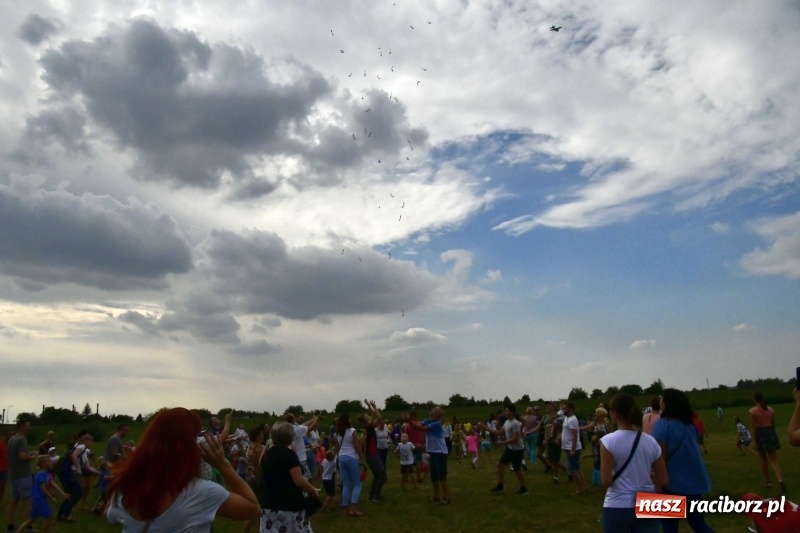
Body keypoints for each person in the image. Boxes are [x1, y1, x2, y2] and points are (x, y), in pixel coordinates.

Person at [106, 407, 260, 531]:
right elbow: (252, 508)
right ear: (188, 446)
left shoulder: (125, 490)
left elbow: (110, 516)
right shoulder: (201, 493)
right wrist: (223, 464)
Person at [600, 393, 668, 533]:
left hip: (617, 504)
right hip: (648, 503)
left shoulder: (608, 441)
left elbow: (606, 481)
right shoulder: (651, 441)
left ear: (614, 413)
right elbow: (664, 480)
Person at [652, 388, 713, 533]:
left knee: (669, 527)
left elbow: (659, 457)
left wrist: (656, 483)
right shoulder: (689, 425)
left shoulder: (662, 425)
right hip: (694, 483)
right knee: (698, 523)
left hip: (670, 483)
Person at [258, 422, 320, 533]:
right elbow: (299, 480)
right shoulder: (289, 455)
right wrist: (313, 489)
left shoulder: (267, 454)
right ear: (289, 436)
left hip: (268, 503)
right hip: (289, 504)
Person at [406, 406, 450, 504]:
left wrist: (409, 421)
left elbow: (420, 428)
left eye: (435, 410)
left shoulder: (437, 423)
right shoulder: (427, 420)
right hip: (433, 453)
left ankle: (446, 497)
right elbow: (416, 427)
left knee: (442, 476)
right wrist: (410, 421)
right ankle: (436, 497)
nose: (432, 409)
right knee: (434, 476)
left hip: (440, 453)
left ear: (438, 414)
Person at [15, 455, 68, 533]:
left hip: (36, 499)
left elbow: (53, 484)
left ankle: (19, 531)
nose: (51, 462)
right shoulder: (42, 474)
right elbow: (42, 488)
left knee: (32, 519)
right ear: (43, 464)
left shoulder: (45, 474)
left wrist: (63, 494)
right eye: (49, 461)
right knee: (49, 517)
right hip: (39, 499)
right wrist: (51, 497)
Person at [484, 404, 528, 495]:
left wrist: (502, 443)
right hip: (510, 448)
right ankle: (500, 485)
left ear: (512, 411)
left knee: (517, 469)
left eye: (507, 411)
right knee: (500, 464)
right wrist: (487, 428)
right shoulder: (507, 422)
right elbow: (500, 432)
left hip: (517, 450)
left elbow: (515, 438)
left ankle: (524, 488)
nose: (505, 412)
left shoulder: (515, 423)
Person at [5, 419, 38, 533]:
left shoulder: (11, 439)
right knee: (27, 501)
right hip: (24, 475)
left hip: (13, 474)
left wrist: (26, 455)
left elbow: (9, 456)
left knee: (13, 500)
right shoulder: (22, 439)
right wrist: (33, 456)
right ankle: (29, 527)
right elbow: (22, 457)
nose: (29, 428)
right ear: (21, 426)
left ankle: (10, 526)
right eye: (28, 426)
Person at [749, 391, 785, 492]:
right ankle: (780, 479)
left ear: (754, 399)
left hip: (760, 433)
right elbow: (773, 424)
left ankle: (768, 482)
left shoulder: (752, 411)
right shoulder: (770, 410)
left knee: (762, 458)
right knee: (774, 459)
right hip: (770, 431)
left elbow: (754, 426)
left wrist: (753, 438)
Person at [332, 413, 367, 517]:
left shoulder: (336, 434)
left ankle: (346, 510)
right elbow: (357, 447)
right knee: (357, 484)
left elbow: (337, 449)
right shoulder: (352, 431)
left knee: (346, 485)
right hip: (352, 458)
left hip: (341, 458)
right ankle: (354, 509)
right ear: (347, 420)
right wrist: (363, 461)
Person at [356, 400, 387, 503]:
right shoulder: (369, 427)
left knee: (378, 475)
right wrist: (374, 406)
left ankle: (373, 495)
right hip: (372, 455)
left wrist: (370, 407)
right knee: (381, 475)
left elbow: (374, 416)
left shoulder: (368, 427)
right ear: (365, 420)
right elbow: (379, 417)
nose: (369, 416)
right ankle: (375, 496)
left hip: (371, 454)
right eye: (367, 416)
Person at [562, 402, 589, 495]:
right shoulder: (567, 418)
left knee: (572, 469)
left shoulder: (573, 420)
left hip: (572, 447)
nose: (563, 410)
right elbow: (566, 431)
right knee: (576, 468)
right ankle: (584, 486)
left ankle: (581, 488)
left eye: (565, 408)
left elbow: (574, 436)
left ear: (570, 409)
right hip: (568, 447)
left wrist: (573, 449)